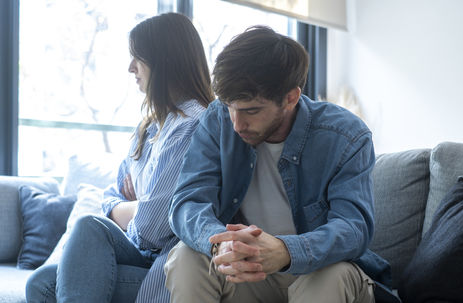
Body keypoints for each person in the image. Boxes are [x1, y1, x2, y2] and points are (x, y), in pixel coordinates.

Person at [164, 26, 399, 303]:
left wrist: (286, 251)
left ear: (291, 98)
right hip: (250, 272)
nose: (237, 123)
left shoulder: (346, 135)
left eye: (251, 110)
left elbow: (354, 227)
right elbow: (187, 202)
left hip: (317, 270)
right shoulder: (217, 120)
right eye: (230, 106)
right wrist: (221, 243)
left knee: (331, 276)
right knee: (186, 257)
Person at [26, 12, 213, 303]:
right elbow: (111, 195)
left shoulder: (191, 125)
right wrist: (136, 205)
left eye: (138, 58)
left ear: (164, 61)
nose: (130, 68)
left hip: (165, 265)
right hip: (140, 252)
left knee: (88, 228)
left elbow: (153, 230)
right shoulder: (151, 125)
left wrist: (132, 208)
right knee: (41, 282)